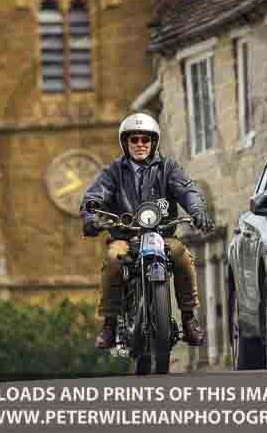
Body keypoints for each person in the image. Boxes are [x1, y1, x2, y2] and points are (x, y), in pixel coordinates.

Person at [80, 112, 213, 349]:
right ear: (125, 142)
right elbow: (95, 196)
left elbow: (188, 190)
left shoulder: (168, 167)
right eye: (134, 139)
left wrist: (197, 210)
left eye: (145, 139)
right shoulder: (113, 172)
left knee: (181, 255)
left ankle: (188, 318)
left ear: (153, 142)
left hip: (163, 235)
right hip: (125, 236)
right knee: (113, 259)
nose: (140, 144)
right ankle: (109, 324)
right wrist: (92, 216)